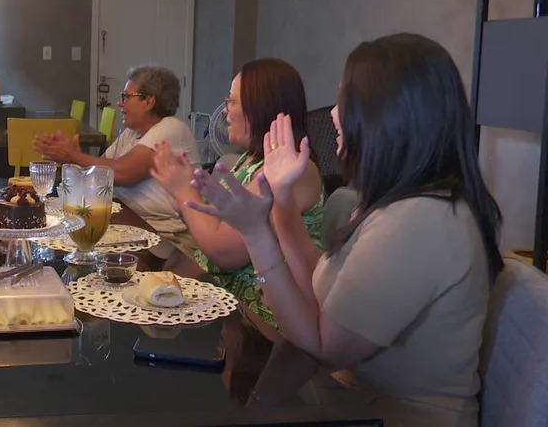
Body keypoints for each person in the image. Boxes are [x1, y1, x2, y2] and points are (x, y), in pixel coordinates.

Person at [188, 34, 502, 426]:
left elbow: (325, 347)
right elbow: (321, 288)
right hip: (349, 402)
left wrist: (256, 234)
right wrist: (281, 201)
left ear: (391, 117)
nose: (335, 114)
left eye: (347, 100)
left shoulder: (422, 221)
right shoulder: (396, 202)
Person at [150, 58, 323, 328]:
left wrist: (185, 195)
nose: (225, 111)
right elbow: (218, 224)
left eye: (232, 102)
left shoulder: (291, 170)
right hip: (231, 291)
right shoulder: (250, 160)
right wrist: (186, 197)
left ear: (259, 106)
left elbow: (224, 251)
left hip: (267, 309)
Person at [34, 65, 199, 237]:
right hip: (131, 222)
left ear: (149, 102)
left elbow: (123, 173)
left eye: (126, 97)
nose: (120, 102)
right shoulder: (132, 132)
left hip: (167, 235)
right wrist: (73, 160)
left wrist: (75, 156)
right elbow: (100, 175)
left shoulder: (171, 128)